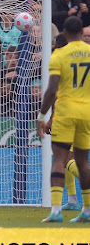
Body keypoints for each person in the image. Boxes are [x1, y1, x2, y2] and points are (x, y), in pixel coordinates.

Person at [37, 16, 90, 223]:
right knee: (83, 163)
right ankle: (86, 210)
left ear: (65, 32)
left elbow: (52, 90)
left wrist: (42, 116)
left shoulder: (59, 54)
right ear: (81, 33)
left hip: (66, 112)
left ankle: (57, 211)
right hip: (87, 113)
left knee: (59, 160)